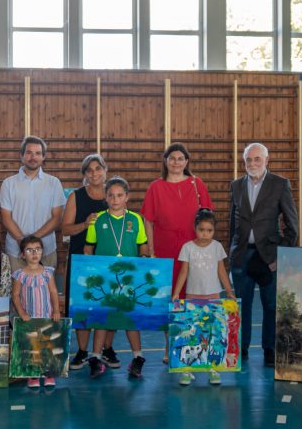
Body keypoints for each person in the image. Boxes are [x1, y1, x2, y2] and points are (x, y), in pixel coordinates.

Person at [227, 143, 299, 367]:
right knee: (242, 305)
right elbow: (232, 222)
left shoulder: (280, 184)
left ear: (267, 161)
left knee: (270, 306)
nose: (253, 164)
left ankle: (270, 349)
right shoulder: (236, 186)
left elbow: (292, 225)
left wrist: (281, 255)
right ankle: (242, 349)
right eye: (248, 160)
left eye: (257, 159)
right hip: (241, 257)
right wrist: (232, 253)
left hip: (269, 258)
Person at [142, 142, 213, 364]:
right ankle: (170, 346)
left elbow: (208, 218)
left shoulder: (197, 184)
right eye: (172, 158)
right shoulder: (156, 186)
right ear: (165, 161)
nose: (176, 162)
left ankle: (196, 346)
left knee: (194, 295)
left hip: (194, 248)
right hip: (166, 250)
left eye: (180, 158)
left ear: (186, 161)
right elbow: (148, 221)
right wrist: (152, 250)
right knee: (171, 298)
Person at [84, 177, 150, 379]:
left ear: (127, 197)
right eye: (111, 195)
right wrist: (88, 264)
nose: (115, 199)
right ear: (105, 197)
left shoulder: (136, 219)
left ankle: (137, 358)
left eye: (120, 195)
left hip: (129, 278)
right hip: (105, 279)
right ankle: (95, 358)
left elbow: (143, 245)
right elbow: (89, 247)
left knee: (130, 319)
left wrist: (145, 259)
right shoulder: (98, 219)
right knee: (102, 318)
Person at [172, 208, 235, 387]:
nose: (205, 234)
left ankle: (213, 369)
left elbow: (222, 270)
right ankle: (187, 370)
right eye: (201, 230)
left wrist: (228, 290)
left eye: (209, 230)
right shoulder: (187, 248)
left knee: (212, 334)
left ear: (214, 231)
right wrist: (177, 292)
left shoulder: (217, 247)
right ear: (195, 228)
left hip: (213, 295)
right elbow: (184, 272)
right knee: (192, 333)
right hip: (193, 296)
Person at [61, 153, 109, 371]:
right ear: (84, 174)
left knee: (106, 305)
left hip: (107, 259)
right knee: (81, 306)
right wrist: (85, 224)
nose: (94, 173)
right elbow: (65, 229)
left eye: (98, 168)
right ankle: (82, 351)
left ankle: (104, 350)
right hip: (81, 258)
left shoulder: (113, 195)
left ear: (105, 171)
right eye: (89, 170)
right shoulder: (76, 197)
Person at [0, 136, 66, 270]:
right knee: (16, 291)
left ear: (43, 157)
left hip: (46, 250)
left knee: (45, 290)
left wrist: (31, 242)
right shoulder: (9, 183)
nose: (33, 157)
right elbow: (6, 218)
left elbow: (57, 218)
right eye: (29, 152)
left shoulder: (54, 183)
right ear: (21, 155)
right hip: (16, 252)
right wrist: (21, 242)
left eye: (37, 153)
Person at [12, 235, 61, 389]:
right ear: (22, 254)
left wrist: (56, 310)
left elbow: (53, 292)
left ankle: (48, 373)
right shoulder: (20, 274)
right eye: (29, 250)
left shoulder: (48, 272)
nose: (34, 253)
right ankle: (32, 374)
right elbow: (15, 295)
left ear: (42, 252)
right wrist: (21, 313)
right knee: (32, 346)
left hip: (46, 316)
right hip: (29, 319)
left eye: (38, 249)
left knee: (47, 345)